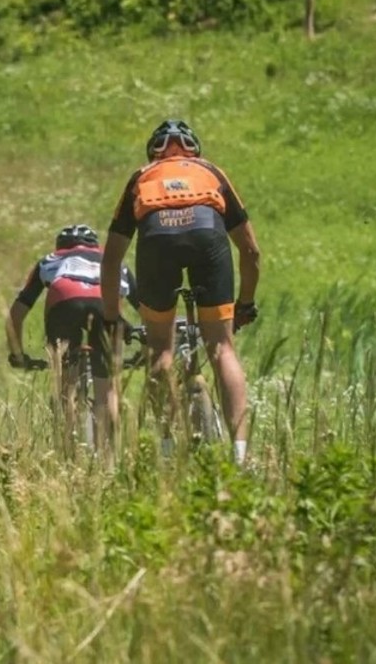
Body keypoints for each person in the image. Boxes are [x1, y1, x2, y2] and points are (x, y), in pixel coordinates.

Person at [99, 119, 261, 464]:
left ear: (154, 152)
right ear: (193, 150)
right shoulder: (210, 171)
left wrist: (112, 318)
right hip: (208, 234)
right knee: (221, 348)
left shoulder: (143, 175)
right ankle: (241, 456)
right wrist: (245, 303)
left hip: (157, 238)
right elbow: (251, 251)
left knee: (160, 349)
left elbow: (111, 258)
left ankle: (168, 450)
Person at [6, 224, 138, 455]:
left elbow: (15, 315)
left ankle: (68, 455)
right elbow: (150, 312)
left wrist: (18, 355)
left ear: (60, 247)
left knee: (67, 385)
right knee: (106, 390)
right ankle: (109, 459)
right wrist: (148, 349)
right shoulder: (115, 261)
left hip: (63, 305)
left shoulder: (50, 259)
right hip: (104, 306)